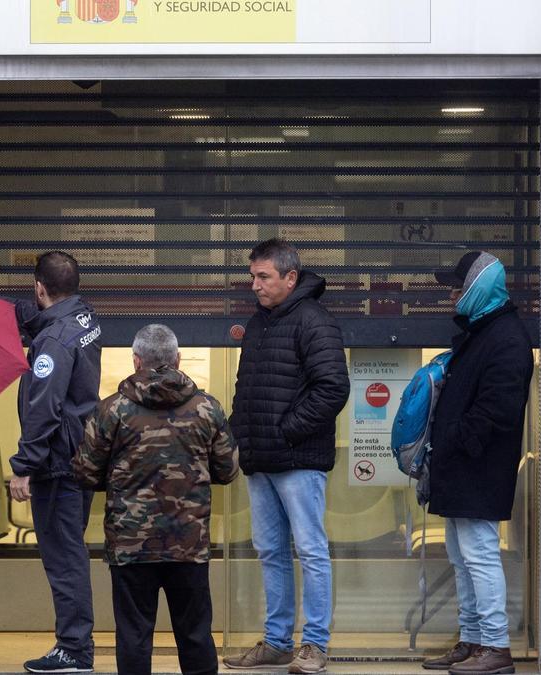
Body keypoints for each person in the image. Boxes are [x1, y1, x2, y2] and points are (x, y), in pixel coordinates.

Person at [73, 324, 239, 675]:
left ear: (136, 361)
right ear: (178, 359)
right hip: (189, 545)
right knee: (195, 635)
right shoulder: (207, 408)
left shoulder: (111, 410)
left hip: (131, 546)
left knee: (133, 636)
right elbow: (227, 470)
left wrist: (121, 481)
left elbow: (85, 472)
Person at [224, 239, 349, 674]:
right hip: (261, 460)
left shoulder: (314, 320)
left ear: (290, 277)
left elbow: (333, 387)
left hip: (297, 460)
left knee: (310, 551)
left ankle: (314, 645)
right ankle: (277, 641)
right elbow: (247, 389)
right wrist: (241, 438)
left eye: (264, 277)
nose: (254, 285)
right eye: (252, 276)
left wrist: (286, 432)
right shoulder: (260, 323)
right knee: (271, 551)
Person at [421, 251, 532, 675]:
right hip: (461, 468)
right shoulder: (483, 332)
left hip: (478, 470)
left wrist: (455, 439)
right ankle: (471, 640)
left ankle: (495, 647)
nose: (452, 294)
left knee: (479, 555)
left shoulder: (505, 337)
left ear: (479, 288)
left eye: (458, 286)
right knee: (461, 556)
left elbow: (498, 410)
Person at [10, 250, 102, 673]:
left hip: (57, 464)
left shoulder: (52, 342)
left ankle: (74, 650)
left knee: (65, 559)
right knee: (70, 554)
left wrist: (24, 466)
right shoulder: (83, 317)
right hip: (79, 455)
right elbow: (36, 317)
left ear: (40, 287)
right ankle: (74, 645)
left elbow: (44, 408)